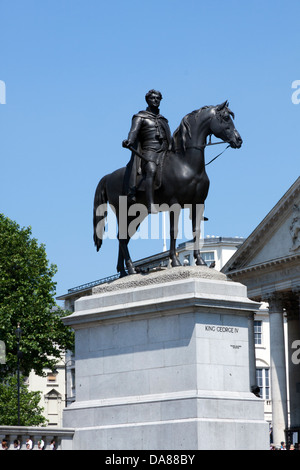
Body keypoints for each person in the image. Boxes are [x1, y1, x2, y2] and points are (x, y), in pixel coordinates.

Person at [122, 89, 172, 214]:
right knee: (151, 169)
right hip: (149, 151)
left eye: (158, 98)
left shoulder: (163, 120)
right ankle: (150, 204)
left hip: (165, 152)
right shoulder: (140, 117)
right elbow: (133, 132)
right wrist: (129, 140)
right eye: (152, 98)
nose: (155, 100)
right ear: (147, 100)